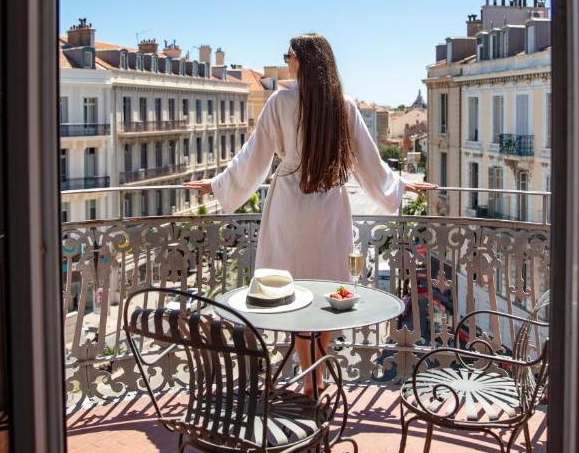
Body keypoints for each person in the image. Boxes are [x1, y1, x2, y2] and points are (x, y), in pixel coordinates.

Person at [185, 33, 434, 396]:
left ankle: (310, 378)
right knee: (332, 288)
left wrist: (218, 185)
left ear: (302, 61)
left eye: (289, 55)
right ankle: (315, 374)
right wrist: (398, 186)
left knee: (294, 292)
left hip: (289, 208)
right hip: (329, 206)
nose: (286, 61)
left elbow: (252, 158)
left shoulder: (281, 102)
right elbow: (369, 160)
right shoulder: (343, 105)